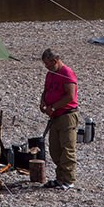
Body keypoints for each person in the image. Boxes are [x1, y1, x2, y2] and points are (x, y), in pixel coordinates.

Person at [38, 48, 79, 189]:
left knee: (67, 148)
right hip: (54, 116)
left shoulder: (67, 73)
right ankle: (60, 177)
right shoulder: (51, 73)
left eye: (48, 64)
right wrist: (43, 102)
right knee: (55, 149)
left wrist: (54, 106)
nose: (47, 67)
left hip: (67, 115)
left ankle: (68, 179)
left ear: (55, 61)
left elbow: (70, 96)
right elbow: (46, 90)